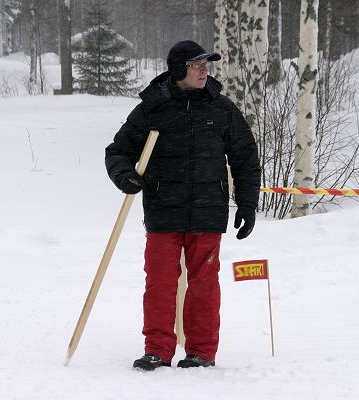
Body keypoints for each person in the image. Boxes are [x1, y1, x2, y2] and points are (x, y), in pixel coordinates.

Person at [105, 40, 261, 371]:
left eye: (207, 64)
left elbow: (245, 157)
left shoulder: (221, 109)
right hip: (164, 210)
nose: (205, 70)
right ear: (179, 69)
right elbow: (117, 151)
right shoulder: (152, 108)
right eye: (196, 65)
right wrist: (125, 176)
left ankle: (201, 352)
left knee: (204, 285)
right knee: (160, 284)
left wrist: (248, 203)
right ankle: (158, 350)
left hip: (208, 211)